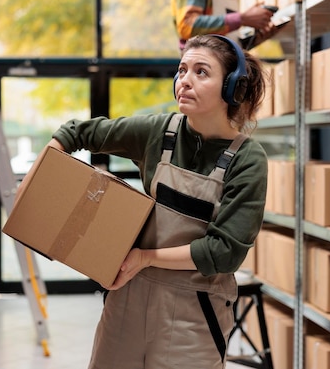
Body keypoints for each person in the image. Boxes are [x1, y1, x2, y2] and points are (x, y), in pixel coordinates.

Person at [47, 34, 268, 369]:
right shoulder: (160, 132)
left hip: (194, 310)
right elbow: (78, 132)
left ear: (231, 89)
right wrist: (41, 176)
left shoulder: (247, 159)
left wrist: (146, 257)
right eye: (182, 70)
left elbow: (224, 253)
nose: (185, 81)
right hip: (127, 299)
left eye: (201, 72)